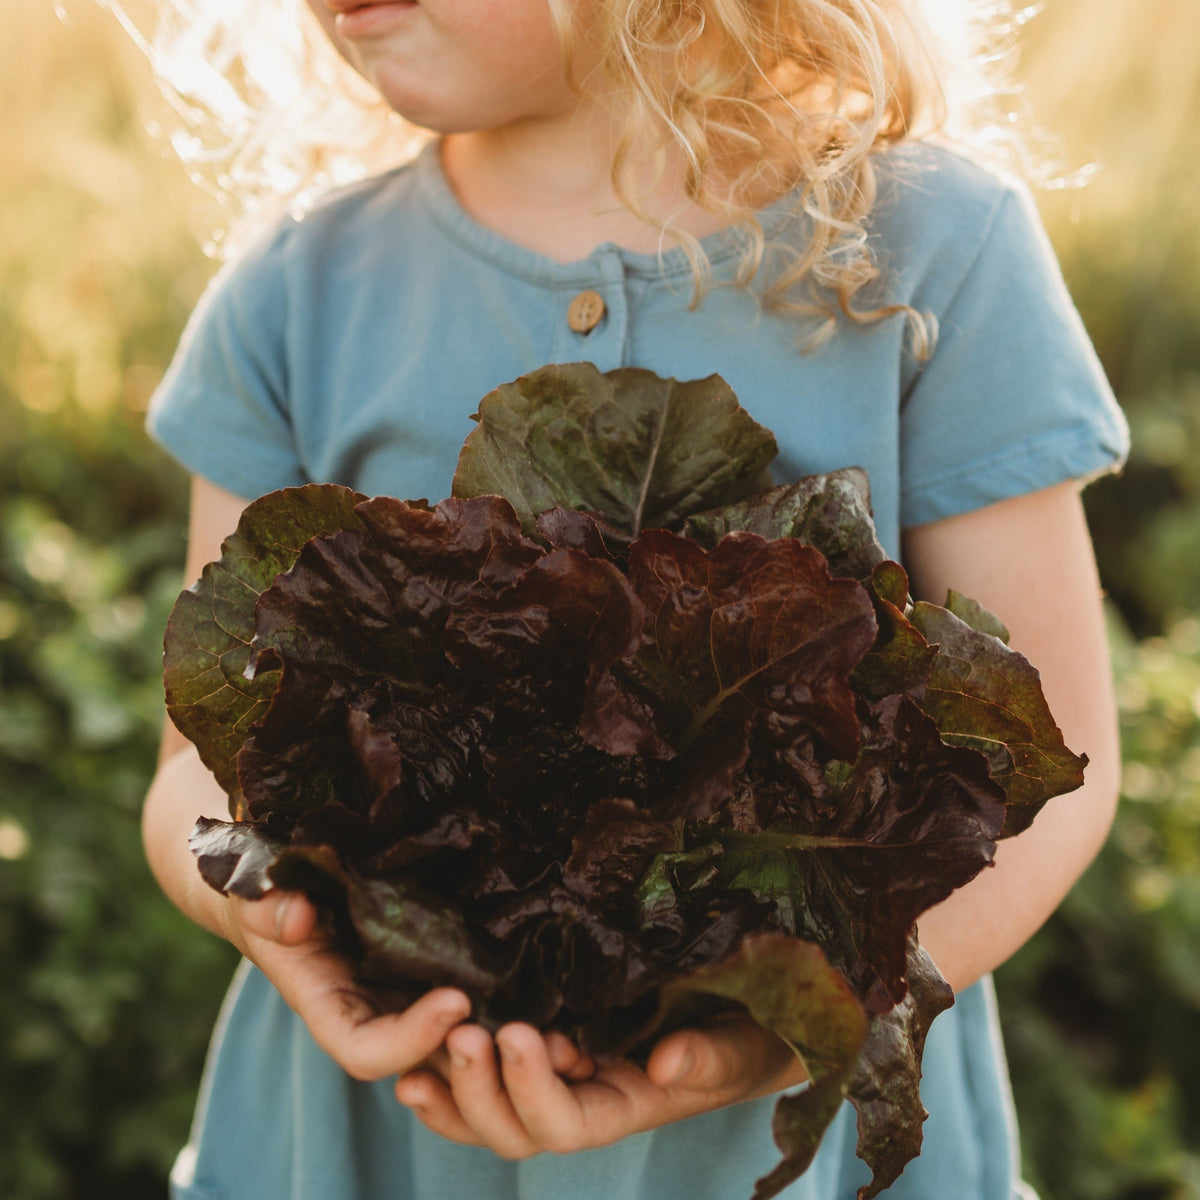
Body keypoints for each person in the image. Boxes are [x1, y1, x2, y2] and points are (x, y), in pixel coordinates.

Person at [139, 1, 1129, 1197]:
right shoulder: (297, 291)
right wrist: (277, 932)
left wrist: (780, 1031)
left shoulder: (923, 255)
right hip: (366, 1139)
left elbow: (1053, 769)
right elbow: (199, 766)